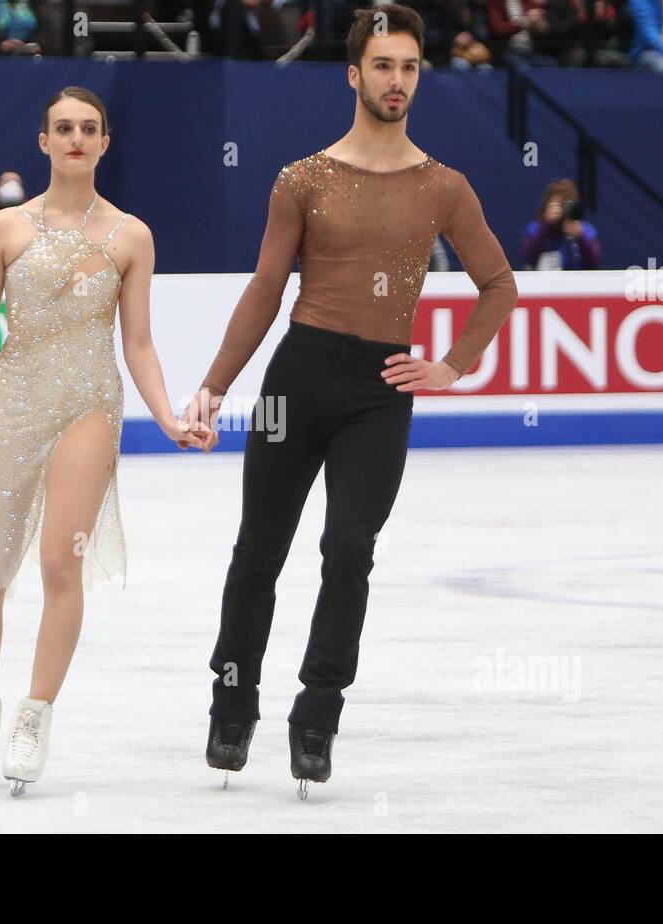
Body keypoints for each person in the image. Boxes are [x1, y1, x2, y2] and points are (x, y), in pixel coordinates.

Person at [186, 4, 517, 797]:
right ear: (353, 75)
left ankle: (318, 712)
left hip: (381, 389)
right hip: (296, 377)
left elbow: (499, 285)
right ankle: (232, 700)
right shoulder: (301, 179)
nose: (397, 80)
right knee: (257, 549)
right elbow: (267, 288)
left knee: (349, 551)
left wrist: (453, 365)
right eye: (383, 66)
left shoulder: (443, 187)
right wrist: (214, 385)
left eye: (408, 66)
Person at [0, 86, 209, 795]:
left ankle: (34, 715)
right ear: (42, 142)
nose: (75, 139)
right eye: (63, 128)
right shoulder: (4, 228)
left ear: (104, 142)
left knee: (62, 561)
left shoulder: (130, 236)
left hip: (90, 405)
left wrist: (167, 416)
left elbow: (141, 343)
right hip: (10, 405)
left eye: (88, 128)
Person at [522, 179, 601, 270]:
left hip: (576, 282)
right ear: (547, 205)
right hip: (543, 281)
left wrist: (580, 237)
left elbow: (593, 264)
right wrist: (546, 226)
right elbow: (529, 258)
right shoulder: (536, 228)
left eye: (565, 205)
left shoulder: (585, 229)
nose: (561, 211)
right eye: (557, 205)